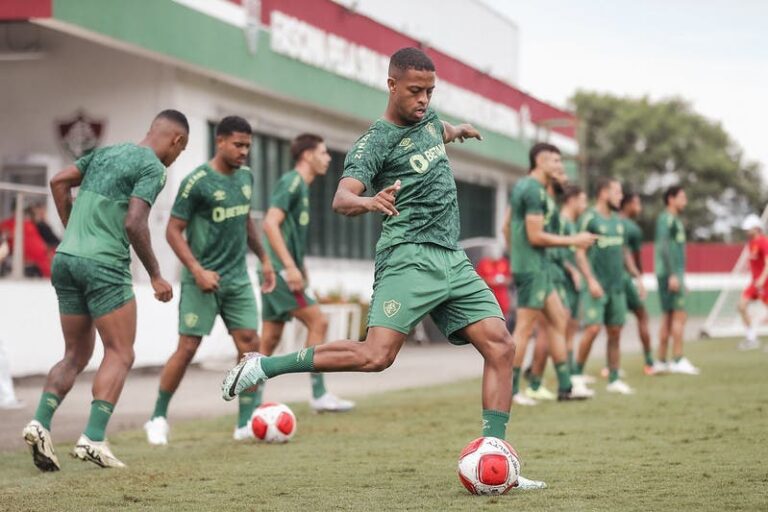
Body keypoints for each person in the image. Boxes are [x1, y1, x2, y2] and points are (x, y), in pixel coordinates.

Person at [222, 47, 547, 489]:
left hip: (451, 257)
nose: (424, 100)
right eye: (415, 91)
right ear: (392, 85)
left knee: (501, 346)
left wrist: (459, 130)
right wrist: (369, 201)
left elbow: (439, 130)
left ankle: (497, 459)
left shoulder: (430, 120)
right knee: (376, 357)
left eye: (430, 92)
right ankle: (264, 366)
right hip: (407, 254)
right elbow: (341, 197)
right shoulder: (374, 141)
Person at [22, 110, 188, 471]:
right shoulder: (153, 168)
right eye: (181, 150)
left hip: (67, 258)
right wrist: (157, 275)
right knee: (121, 352)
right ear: (177, 141)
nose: (176, 158)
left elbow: (58, 182)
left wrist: (73, 231)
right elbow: (134, 222)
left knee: (75, 354)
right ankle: (93, 438)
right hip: (104, 264)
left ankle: (39, 422)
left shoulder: (104, 152)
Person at [144, 116, 276, 446]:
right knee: (188, 348)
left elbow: (246, 221)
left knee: (250, 346)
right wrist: (197, 270)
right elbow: (172, 231)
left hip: (237, 279)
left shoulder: (246, 177)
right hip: (201, 279)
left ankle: (245, 422)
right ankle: (157, 417)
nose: (244, 151)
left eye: (248, 145)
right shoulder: (197, 181)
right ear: (220, 142)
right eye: (238, 144)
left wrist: (265, 259)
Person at [257, 133, 354, 413]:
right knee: (319, 322)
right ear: (307, 155)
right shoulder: (292, 182)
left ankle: (248, 401)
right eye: (323, 153)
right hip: (279, 272)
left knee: (269, 340)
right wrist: (289, 267)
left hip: (280, 271)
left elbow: (287, 234)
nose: (327, 159)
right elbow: (270, 224)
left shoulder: (302, 187)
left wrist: (301, 267)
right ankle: (319, 394)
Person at [506, 143, 596, 405]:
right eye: (556, 161)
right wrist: (573, 240)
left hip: (540, 267)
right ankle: (511, 391)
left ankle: (566, 386)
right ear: (541, 161)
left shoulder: (540, 191)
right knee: (524, 328)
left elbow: (510, 227)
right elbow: (533, 236)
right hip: (532, 268)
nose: (560, 166)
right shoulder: (531, 189)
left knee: (560, 320)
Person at [573, 178, 634, 395]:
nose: (621, 196)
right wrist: (590, 280)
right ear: (603, 193)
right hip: (596, 286)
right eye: (617, 192)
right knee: (592, 328)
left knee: (615, 331)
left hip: (617, 287)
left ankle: (614, 378)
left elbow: (624, 251)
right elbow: (579, 252)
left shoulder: (618, 221)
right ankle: (577, 376)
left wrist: (635, 276)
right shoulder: (589, 218)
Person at [655, 185, 699, 374]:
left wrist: (681, 277)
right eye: (681, 197)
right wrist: (673, 274)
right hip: (669, 274)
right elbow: (663, 247)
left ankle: (661, 360)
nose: (685, 201)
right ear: (670, 199)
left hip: (673, 274)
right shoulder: (667, 219)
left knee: (668, 316)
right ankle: (678, 359)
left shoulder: (675, 221)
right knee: (679, 316)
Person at [619, 192, 656, 374]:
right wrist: (640, 279)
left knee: (613, 324)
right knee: (642, 316)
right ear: (627, 204)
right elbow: (634, 257)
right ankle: (649, 362)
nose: (639, 208)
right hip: (625, 279)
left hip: (607, 279)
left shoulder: (610, 221)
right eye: (637, 203)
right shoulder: (632, 229)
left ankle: (610, 367)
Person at [559, 185, 588, 374]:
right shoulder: (561, 222)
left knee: (571, 329)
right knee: (559, 330)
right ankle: (534, 375)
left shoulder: (573, 224)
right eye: (583, 200)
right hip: (561, 281)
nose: (585, 205)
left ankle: (572, 374)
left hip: (573, 284)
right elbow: (555, 251)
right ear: (572, 200)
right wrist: (573, 271)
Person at [737, 214, 768, 351]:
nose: (746, 231)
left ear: (756, 228)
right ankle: (751, 338)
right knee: (741, 305)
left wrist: (762, 278)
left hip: (765, 282)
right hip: (754, 283)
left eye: (749, 229)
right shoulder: (750, 244)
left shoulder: (763, 242)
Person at [476, 245, 512, 324]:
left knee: (505, 318)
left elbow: (510, 279)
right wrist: (490, 281)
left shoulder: (504, 262)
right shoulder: (483, 263)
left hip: (502, 296)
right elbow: (478, 280)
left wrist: (503, 280)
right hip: (488, 295)